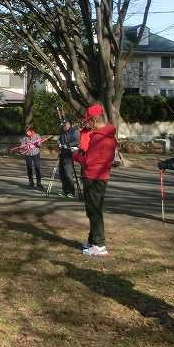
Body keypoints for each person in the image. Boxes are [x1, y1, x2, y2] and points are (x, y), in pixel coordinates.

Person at [73, 104, 117, 257]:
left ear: (93, 120)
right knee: (93, 210)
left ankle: (99, 244)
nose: (87, 124)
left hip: (93, 177)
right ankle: (93, 241)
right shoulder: (109, 134)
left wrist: (76, 155)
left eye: (88, 121)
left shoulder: (99, 137)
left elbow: (89, 161)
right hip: (100, 176)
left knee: (94, 211)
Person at [57, 119, 81, 197]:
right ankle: (65, 191)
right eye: (63, 125)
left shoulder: (74, 131)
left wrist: (68, 145)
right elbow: (59, 140)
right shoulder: (63, 132)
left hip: (69, 154)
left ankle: (71, 192)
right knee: (62, 174)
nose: (64, 126)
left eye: (65, 125)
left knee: (68, 174)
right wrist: (59, 143)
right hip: (62, 153)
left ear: (69, 124)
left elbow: (77, 141)